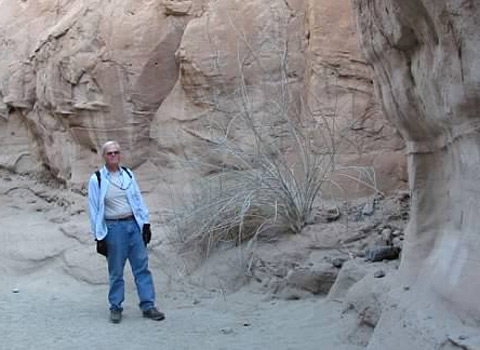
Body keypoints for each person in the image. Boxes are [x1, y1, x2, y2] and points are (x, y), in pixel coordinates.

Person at [87, 140, 165, 324]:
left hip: (133, 225)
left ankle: (148, 305)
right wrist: (99, 236)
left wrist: (145, 224)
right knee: (116, 270)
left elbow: (137, 199)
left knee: (141, 267)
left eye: (116, 152)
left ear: (120, 154)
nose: (113, 155)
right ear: (104, 156)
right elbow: (94, 208)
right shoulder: (97, 179)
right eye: (109, 153)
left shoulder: (128, 174)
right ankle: (115, 307)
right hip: (114, 228)